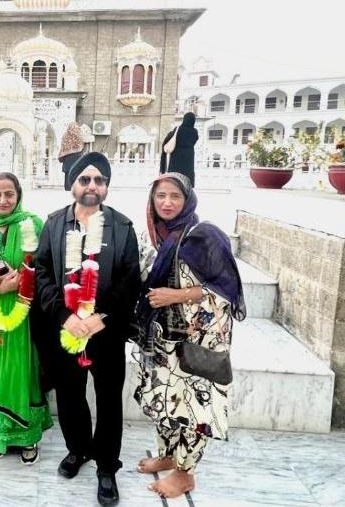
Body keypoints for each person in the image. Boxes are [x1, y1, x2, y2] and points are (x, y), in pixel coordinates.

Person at [34, 152, 140, 506]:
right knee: (69, 395)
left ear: (106, 187)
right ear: (73, 185)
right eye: (85, 180)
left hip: (105, 332)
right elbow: (43, 274)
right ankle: (78, 450)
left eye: (99, 180)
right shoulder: (54, 224)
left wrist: (101, 317)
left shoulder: (123, 227)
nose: (91, 186)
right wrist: (67, 318)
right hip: (65, 330)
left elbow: (129, 281)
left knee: (109, 400)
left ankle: (107, 467)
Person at [133, 172, 246, 498]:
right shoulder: (153, 237)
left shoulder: (204, 236)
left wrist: (175, 296)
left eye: (175, 196)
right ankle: (169, 455)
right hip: (162, 339)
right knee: (166, 400)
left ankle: (185, 474)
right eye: (160, 196)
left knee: (195, 408)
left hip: (198, 342)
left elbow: (226, 291)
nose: (167, 203)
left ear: (187, 200)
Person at [0, 172, 52, 463]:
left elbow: (46, 265)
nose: (3, 200)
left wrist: (21, 285)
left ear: (19, 195)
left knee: (24, 371)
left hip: (24, 313)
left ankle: (27, 436)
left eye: (9, 194)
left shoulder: (32, 223)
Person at [159, 112, 198, 186]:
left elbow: (169, 139)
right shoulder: (194, 131)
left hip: (177, 155)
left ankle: (174, 186)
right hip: (188, 156)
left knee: (175, 176)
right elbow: (194, 141)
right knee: (187, 174)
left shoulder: (178, 129)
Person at [58, 122, 85, 191]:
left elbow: (63, 147)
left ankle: (68, 188)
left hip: (68, 158)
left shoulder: (65, 136)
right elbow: (81, 146)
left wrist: (63, 155)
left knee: (68, 173)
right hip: (77, 157)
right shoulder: (79, 135)